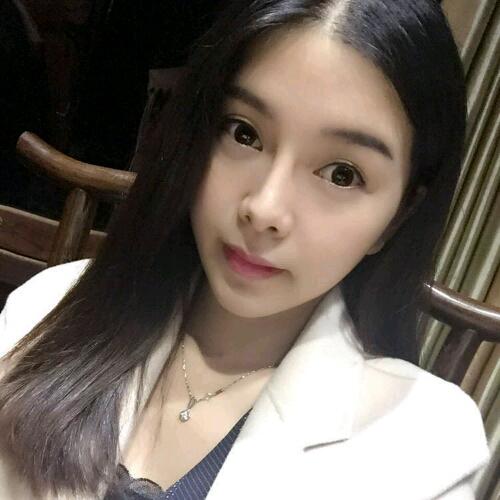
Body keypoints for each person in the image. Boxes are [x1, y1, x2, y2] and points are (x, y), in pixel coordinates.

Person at [0, 0, 491, 499]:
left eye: (342, 174)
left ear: (398, 216)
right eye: (245, 133)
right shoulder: (48, 310)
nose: (264, 208)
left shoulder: (421, 448)